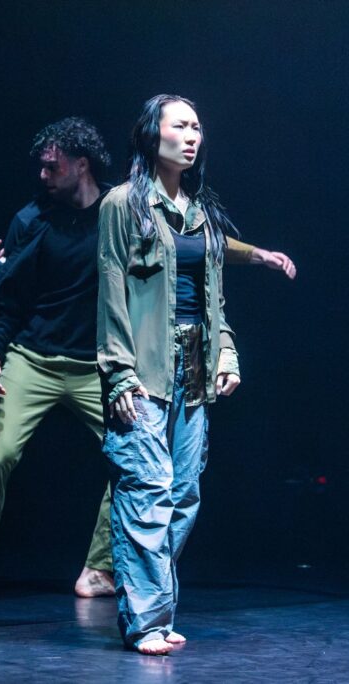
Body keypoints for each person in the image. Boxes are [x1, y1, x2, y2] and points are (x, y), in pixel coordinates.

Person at [0, 118, 295, 602]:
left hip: (99, 363)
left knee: (137, 462)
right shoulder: (31, 220)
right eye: (41, 169)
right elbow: (10, 295)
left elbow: (192, 245)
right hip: (35, 356)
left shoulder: (126, 208)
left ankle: (98, 568)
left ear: (81, 164)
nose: (43, 176)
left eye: (53, 167)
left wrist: (257, 254)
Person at [98, 94, 243, 654]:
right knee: (147, 487)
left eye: (198, 127)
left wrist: (227, 354)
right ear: (150, 135)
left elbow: (214, 301)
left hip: (195, 366)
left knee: (183, 494)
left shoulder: (203, 214)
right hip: (143, 365)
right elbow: (111, 293)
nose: (192, 135)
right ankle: (146, 619)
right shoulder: (122, 204)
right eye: (180, 125)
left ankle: (149, 600)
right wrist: (118, 375)